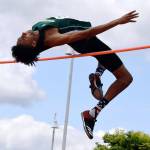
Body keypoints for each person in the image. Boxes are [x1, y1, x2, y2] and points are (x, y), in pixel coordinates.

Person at [11, 10, 139, 139]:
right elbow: (88, 33)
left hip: (86, 40)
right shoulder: (52, 38)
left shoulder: (36, 28)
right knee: (125, 78)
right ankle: (92, 114)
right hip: (88, 41)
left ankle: (98, 74)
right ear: (33, 44)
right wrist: (117, 21)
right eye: (24, 37)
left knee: (109, 60)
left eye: (21, 36)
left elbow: (32, 49)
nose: (23, 33)